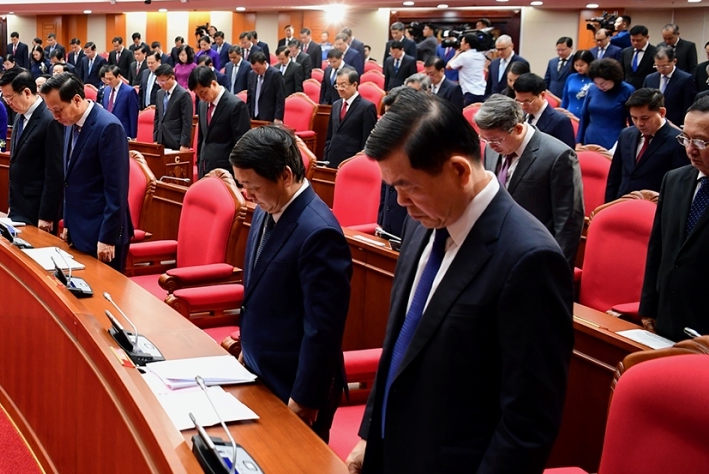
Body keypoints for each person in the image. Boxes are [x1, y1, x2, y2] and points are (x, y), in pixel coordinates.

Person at [348, 89, 572, 474]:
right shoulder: (425, 223)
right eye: (393, 187)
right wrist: (371, 433)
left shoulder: (529, 259)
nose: (401, 202)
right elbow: (401, 343)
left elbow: (527, 423)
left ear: (459, 170)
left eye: (409, 186)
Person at [225, 126, 351, 440]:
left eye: (252, 186)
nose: (247, 195)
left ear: (284, 175)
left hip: (294, 386)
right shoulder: (264, 209)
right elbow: (257, 290)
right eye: (242, 185)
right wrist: (248, 349)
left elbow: (322, 329)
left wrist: (306, 398)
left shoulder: (318, 232)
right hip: (260, 372)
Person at [476, 96, 583, 263]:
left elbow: (568, 223)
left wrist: (556, 268)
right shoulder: (492, 148)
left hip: (534, 255)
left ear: (518, 129)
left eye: (496, 140)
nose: (490, 146)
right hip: (495, 252)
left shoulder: (558, 156)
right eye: (485, 139)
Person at [40, 73, 131, 270]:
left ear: (77, 100)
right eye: (51, 111)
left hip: (102, 234)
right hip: (79, 229)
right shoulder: (69, 123)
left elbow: (117, 190)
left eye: (58, 110)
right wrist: (69, 226)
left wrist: (108, 238)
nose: (55, 117)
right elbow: (71, 180)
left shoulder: (108, 127)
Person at [641, 96, 709, 341]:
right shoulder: (674, 180)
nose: (690, 149)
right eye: (686, 138)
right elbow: (658, 247)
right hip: (666, 319)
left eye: (701, 142)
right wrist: (648, 306)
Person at [0, 70, 63, 228]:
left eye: (9, 97)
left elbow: (55, 173)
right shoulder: (20, 115)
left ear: (26, 92)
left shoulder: (49, 120)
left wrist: (46, 215)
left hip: (37, 209)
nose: (7, 103)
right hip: (19, 206)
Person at [606, 88, 688, 201]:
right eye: (634, 118)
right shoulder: (626, 134)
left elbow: (678, 187)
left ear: (662, 112)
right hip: (621, 203)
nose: (639, 123)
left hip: (654, 208)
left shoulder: (678, 141)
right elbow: (614, 178)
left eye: (645, 118)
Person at [324, 67, 377, 167]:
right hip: (333, 158)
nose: (339, 89)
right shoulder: (336, 105)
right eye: (337, 85)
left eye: (343, 85)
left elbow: (367, 141)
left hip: (352, 160)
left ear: (354, 84)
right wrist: (326, 157)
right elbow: (330, 136)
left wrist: (363, 162)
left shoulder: (367, 107)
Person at [578, 59, 634, 148]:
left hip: (614, 139)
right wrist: (579, 141)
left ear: (613, 78)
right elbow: (584, 116)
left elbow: (633, 122)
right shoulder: (593, 89)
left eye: (603, 83)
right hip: (590, 137)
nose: (600, 86)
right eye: (596, 83)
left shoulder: (627, 90)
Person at [511, 73, 575, 148]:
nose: (523, 106)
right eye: (519, 101)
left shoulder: (560, 121)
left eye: (527, 101)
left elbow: (568, 155)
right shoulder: (520, 115)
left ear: (542, 95)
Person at [644, 47, 696, 126]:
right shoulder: (650, 79)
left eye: (665, 66)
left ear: (674, 61)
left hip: (675, 123)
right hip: (653, 122)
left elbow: (688, 104)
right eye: (657, 66)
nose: (661, 69)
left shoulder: (685, 79)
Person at [153, 64, 193, 151]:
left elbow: (187, 122)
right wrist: (155, 138)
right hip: (161, 140)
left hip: (176, 141)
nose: (161, 84)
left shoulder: (183, 94)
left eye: (163, 81)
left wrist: (184, 144)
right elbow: (157, 118)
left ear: (172, 78)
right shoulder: (160, 93)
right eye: (158, 81)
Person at [447, 33, 488, 105]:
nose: (460, 43)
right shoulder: (481, 56)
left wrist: (456, 54)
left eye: (462, 41)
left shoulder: (464, 56)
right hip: (482, 91)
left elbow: (448, 66)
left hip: (469, 92)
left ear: (467, 45)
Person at [99, 65, 139, 139]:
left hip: (123, 132)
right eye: (106, 79)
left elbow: (133, 115)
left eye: (110, 79)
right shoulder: (106, 90)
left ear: (119, 76)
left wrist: (133, 136)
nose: (108, 82)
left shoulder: (129, 91)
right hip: (107, 131)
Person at [248, 50, 285, 122]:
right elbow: (250, 97)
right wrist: (248, 114)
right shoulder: (251, 74)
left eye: (257, 69)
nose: (256, 71)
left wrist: (278, 117)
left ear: (264, 63)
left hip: (269, 116)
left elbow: (280, 98)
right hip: (254, 116)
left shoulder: (276, 74)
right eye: (253, 69)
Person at [560, 49, 596, 119]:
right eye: (576, 65)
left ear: (589, 64)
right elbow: (565, 98)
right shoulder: (571, 77)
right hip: (569, 115)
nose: (578, 68)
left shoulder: (594, 79)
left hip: (586, 117)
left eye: (582, 65)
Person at [622, 24, 657, 89]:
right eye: (632, 40)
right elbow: (623, 71)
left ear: (647, 37)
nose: (635, 43)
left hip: (646, 90)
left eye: (638, 40)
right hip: (628, 90)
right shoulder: (626, 52)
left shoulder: (655, 52)